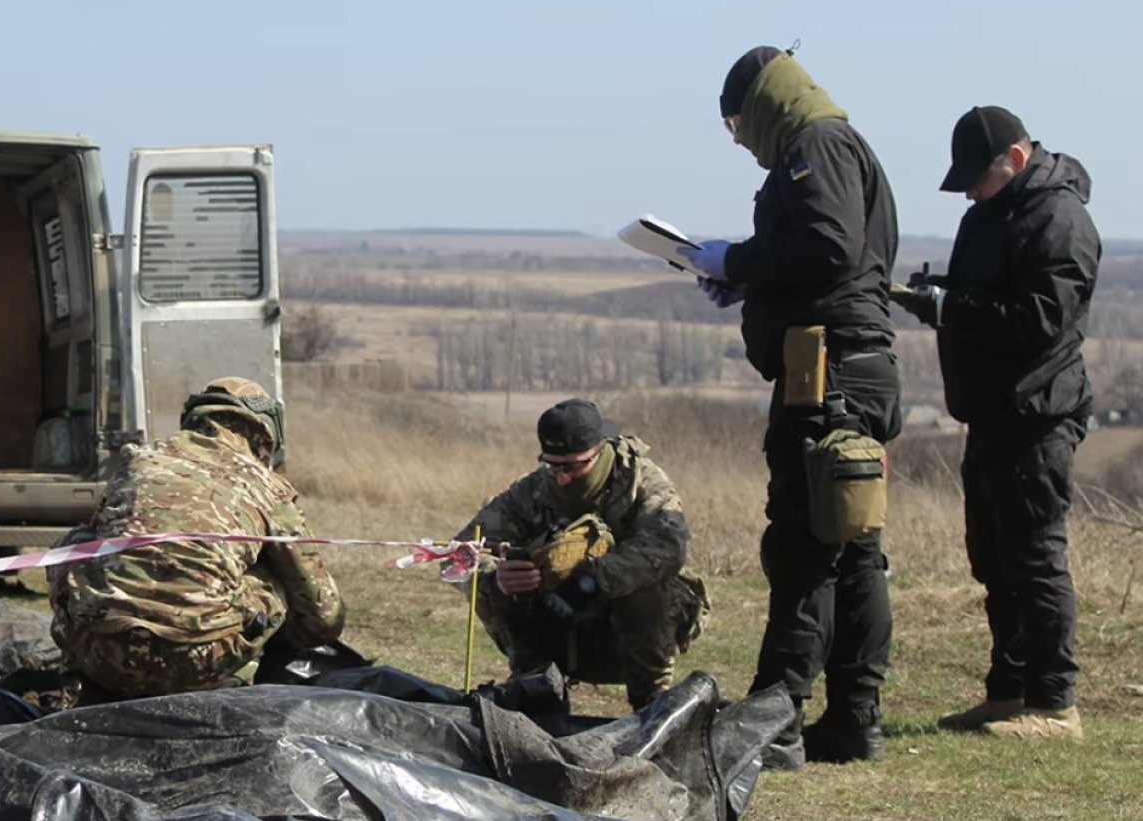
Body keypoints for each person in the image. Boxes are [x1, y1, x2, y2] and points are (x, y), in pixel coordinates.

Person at [679, 46, 901, 765]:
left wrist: (737, 263)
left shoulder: (818, 146)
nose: (738, 141)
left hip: (826, 379)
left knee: (805, 548)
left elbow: (828, 248)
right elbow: (827, 256)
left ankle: (776, 722)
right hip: (853, 370)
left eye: (737, 124)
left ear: (764, 107)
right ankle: (853, 719)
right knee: (853, 547)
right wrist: (752, 283)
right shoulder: (841, 145)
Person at [895, 107, 1099, 742]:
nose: (969, 193)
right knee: (994, 558)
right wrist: (939, 296)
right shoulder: (995, 212)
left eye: (976, 180)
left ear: (1013, 160)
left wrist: (953, 307)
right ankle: (1008, 692)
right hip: (991, 414)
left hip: (1036, 417)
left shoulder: (1060, 219)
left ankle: (1055, 703)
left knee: (1035, 557)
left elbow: (1041, 319)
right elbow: (987, 291)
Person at [49, 377, 345, 703]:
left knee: (75, 544)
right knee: (275, 577)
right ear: (264, 434)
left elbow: (102, 544)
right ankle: (234, 691)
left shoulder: (139, 462)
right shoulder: (266, 486)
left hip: (102, 653)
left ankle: (80, 684)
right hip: (200, 663)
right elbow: (324, 616)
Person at [454, 399, 709, 710]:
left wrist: (592, 580)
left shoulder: (641, 482)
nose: (561, 477)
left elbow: (670, 545)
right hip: (555, 625)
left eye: (572, 467)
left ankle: (650, 703)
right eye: (551, 465)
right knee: (495, 586)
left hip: (629, 632)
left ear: (600, 451)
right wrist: (496, 573)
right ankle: (536, 688)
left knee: (648, 582)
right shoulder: (531, 492)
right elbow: (459, 552)